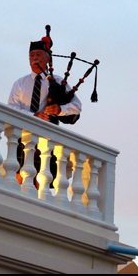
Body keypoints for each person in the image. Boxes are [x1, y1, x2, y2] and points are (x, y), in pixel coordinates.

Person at [8, 39, 82, 188]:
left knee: (42, 182)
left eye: (39, 54)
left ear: (48, 58)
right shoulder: (20, 83)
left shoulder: (58, 82)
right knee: (20, 179)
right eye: (32, 54)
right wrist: (32, 116)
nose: (35, 57)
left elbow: (77, 106)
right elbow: (11, 109)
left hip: (48, 138)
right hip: (23, 138)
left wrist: (60, 110)